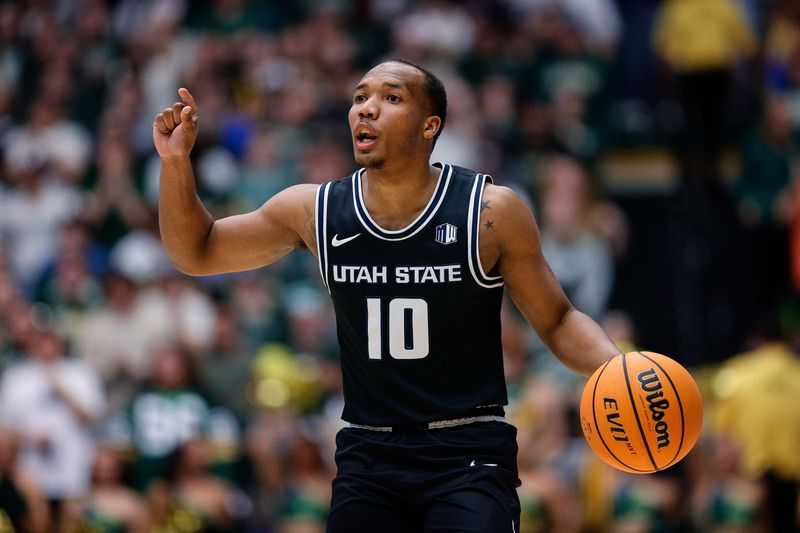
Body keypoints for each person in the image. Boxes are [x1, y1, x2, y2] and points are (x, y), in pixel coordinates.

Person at [154, 59, 619, 532]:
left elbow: (558, 319)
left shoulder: (489, 212)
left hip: (468, 452)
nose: (366, 110)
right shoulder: (315, 209)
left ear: (429, 126)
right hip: (369, 456)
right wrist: (174, 164)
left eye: (390, 98)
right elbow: (197, 251)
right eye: (359, 98)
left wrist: (617, 366)